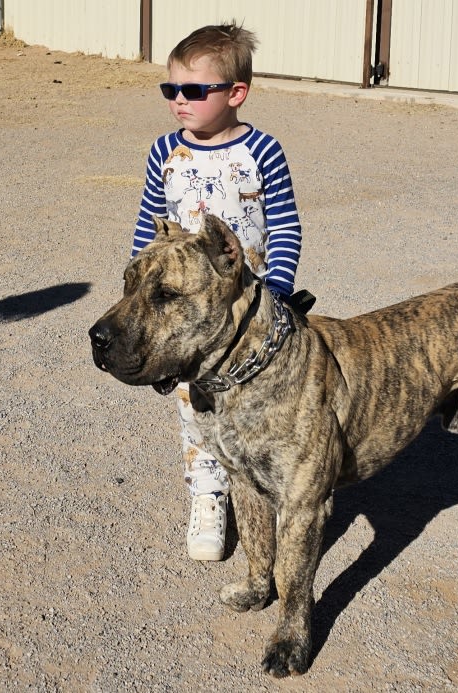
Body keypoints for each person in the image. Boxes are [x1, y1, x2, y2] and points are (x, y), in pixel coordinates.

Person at [130, 22, 302, 561]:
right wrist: (137, 288)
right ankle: (207, 495)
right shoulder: (165, 152)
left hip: (250, 313)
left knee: (260, 402)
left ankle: (261, 487)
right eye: (171, 90)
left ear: (235, 94)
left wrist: (278, 289)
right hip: (187, 314)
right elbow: (148, 225)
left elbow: (287, 227)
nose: (179, 101)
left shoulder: (263, 152)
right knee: (194, 404)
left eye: (194, 91)